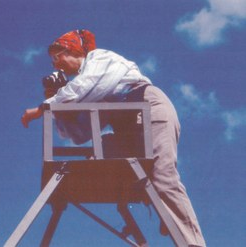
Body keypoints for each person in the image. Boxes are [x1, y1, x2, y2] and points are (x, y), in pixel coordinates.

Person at [21, 29, 206, 247]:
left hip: (149, 109)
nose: (55, 64)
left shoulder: (100, 59)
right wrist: (54, 100)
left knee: (163, 178)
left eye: (56, 57)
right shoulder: (91, 90)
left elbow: (85, 87)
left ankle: (192, 242)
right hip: (125, 126)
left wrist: (43, 108)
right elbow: (78, 134)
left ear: (71, 49)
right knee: (104, 150)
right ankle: (166, 209)